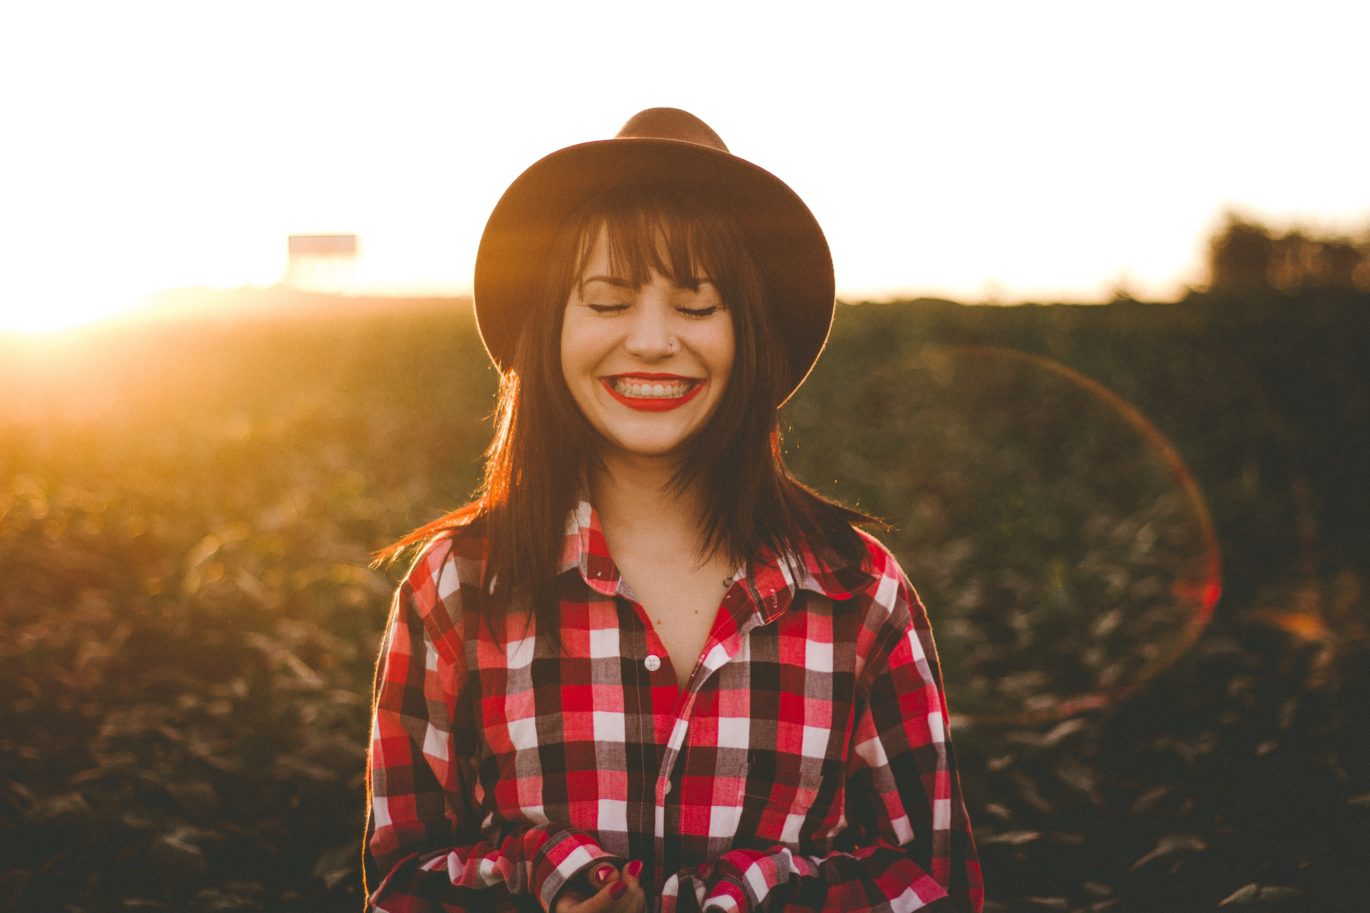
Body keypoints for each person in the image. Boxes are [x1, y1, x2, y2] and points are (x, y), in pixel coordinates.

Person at [365, 108, 983, 913]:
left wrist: (745, 898)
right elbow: (401, 882)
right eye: (608, 301)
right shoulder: (455, 587)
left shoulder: (860, 592)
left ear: (749, 332)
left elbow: (933, 885)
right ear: (550, 326)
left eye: (697, 306)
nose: (653, 341)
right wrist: (541, 878)